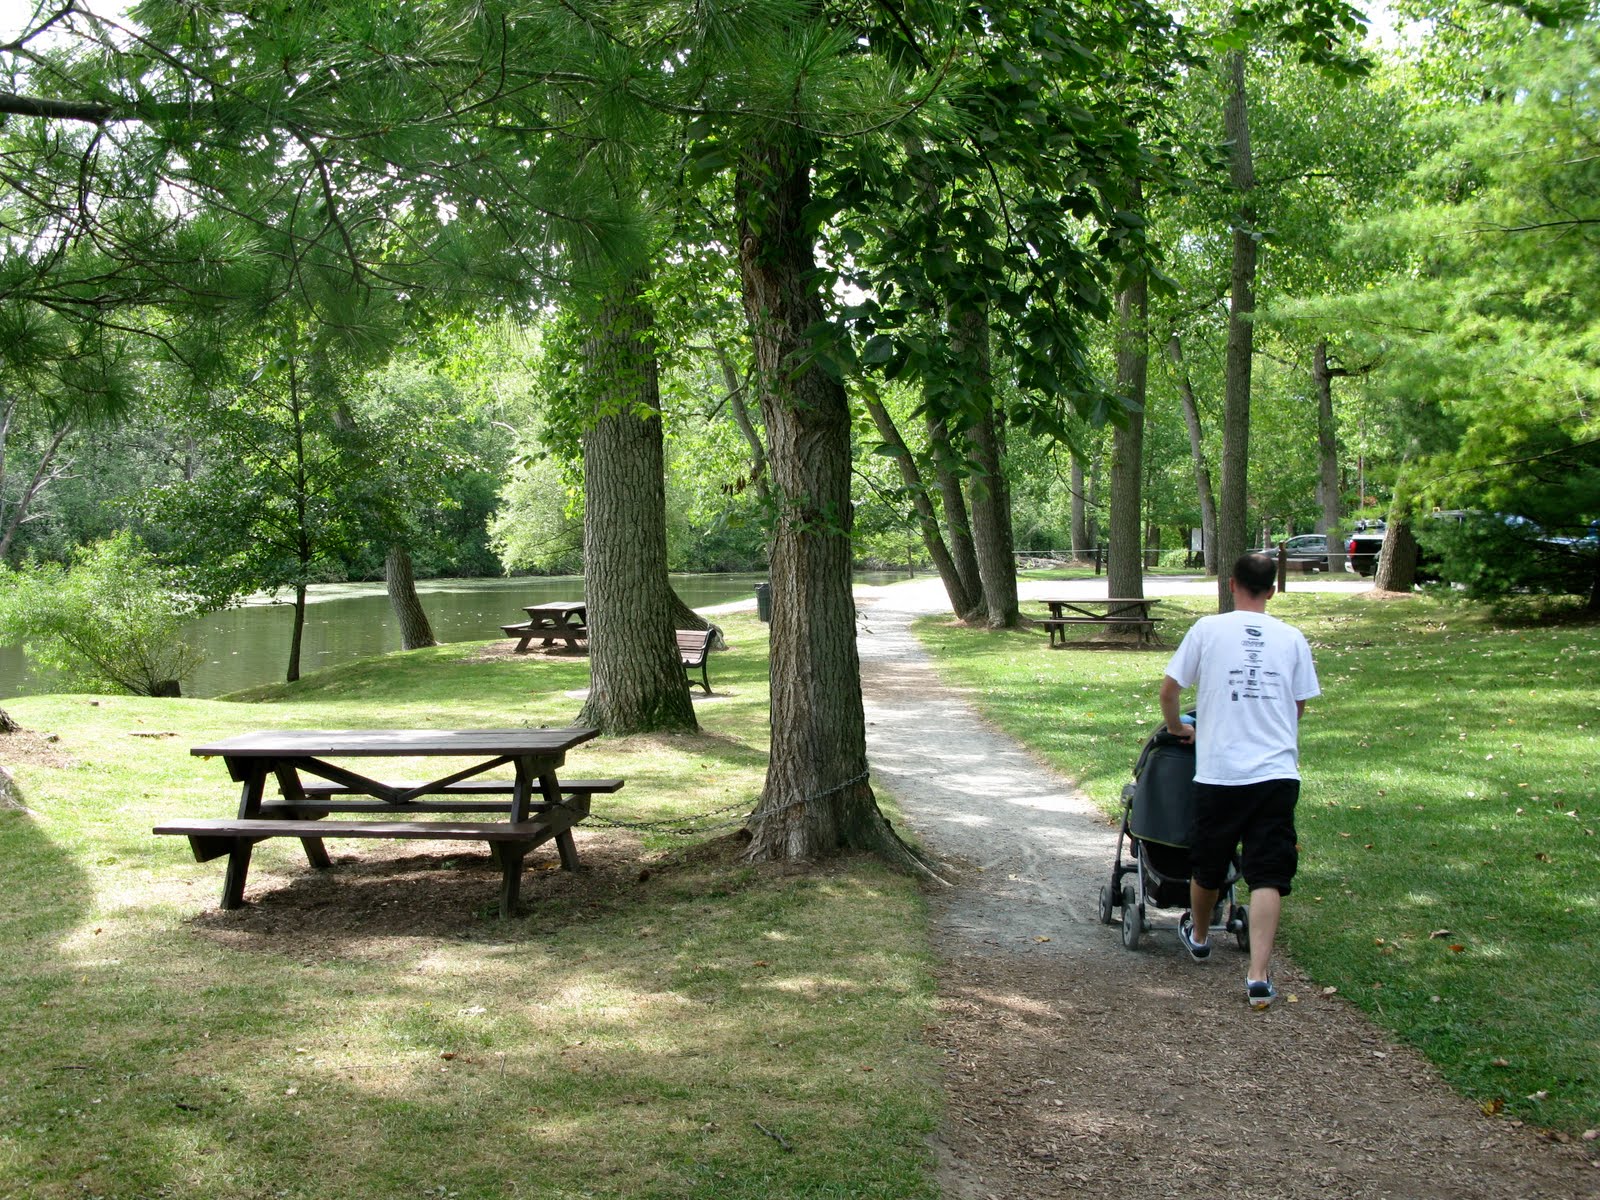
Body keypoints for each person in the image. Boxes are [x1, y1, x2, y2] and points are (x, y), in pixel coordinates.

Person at [1158, 552, 1321, 1010]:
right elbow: (1299, 704)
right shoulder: (1291, 638)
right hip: (1276, 772)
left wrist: (1177, 728)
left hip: (1220, 771)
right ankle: (1258, 976)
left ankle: (1202, 934)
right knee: (1269, 870)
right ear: (1273, 589)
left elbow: (1169, 691)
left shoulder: (1207, 631)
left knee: (1208, 862)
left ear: (1231, 585)